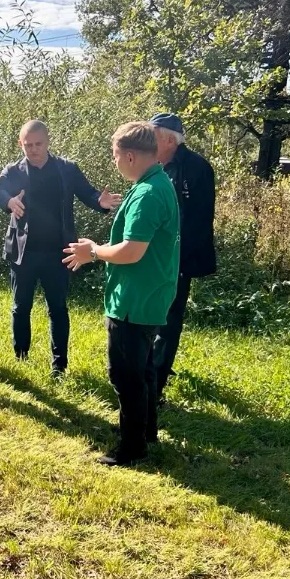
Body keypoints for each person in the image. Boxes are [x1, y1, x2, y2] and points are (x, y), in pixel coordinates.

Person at [63, 121, 179, 466]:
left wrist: (93, 252)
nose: (114, 163)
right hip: (148, 294)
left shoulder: (147, 193)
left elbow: (132, 251)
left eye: (115, 156)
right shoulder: (158, 182)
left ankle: (131, 449)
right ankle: (145, 431)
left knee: (125, 374)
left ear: (129, 156)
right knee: (143, 369)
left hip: (135, 299)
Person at [0, 120, 121, 376]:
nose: (32, 149)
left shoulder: (66, 169)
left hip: (59, 253)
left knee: (58, 309)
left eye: (37, 144)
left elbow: (88, 193)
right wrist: (9, 202)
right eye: (27, 145)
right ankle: (21, 356)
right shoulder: (13, 170)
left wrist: (101, 202)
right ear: (21, 144)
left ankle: (59, 365)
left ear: (48, 141)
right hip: (24, 252)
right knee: (21, 306)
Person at [148, 113, 216, 402]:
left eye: (151, 136)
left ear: (166, 138)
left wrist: (176, 259)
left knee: (168, 320)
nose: (146, 142)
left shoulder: (197, 168)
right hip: (149, 257)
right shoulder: (153, 164)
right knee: (149, 317)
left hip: (178, 259)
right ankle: (148, 371)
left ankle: (156, 386)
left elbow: (200, 221)